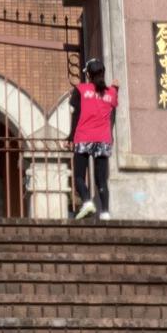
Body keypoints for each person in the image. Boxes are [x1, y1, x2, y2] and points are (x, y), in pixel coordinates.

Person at [67, 58, 119, 221]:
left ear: (88, 75)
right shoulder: (111, 93)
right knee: (101, 179)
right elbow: (113, 111)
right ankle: (105, 212)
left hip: (83, 137)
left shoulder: (80, 90)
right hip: (103, 140)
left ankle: (87, 201)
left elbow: (75, 115)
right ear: (103, 73)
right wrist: (116, 87)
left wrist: (70, 137)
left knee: (79, 177)